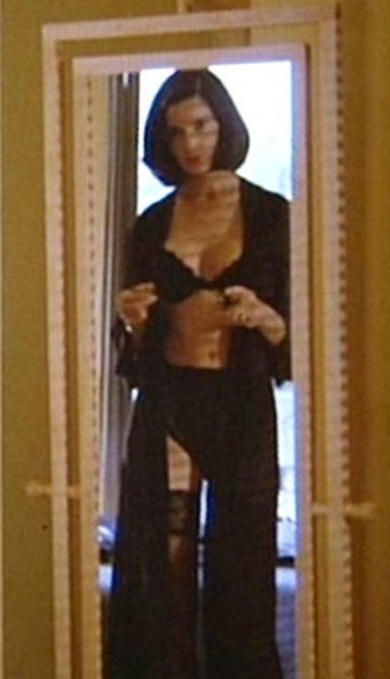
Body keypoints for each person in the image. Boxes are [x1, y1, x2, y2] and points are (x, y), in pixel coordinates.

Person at [108, 69, 288, 679]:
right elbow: (135, 355)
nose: (191, 143)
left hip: (240, 402)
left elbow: (304, 336)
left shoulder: (273, 215)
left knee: (241, 556)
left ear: (224, 125)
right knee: (167, 552)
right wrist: (133, 322)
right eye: (177, 131)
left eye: (202, 126)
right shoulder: (152, 223)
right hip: (171, 398)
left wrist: (265, 318)